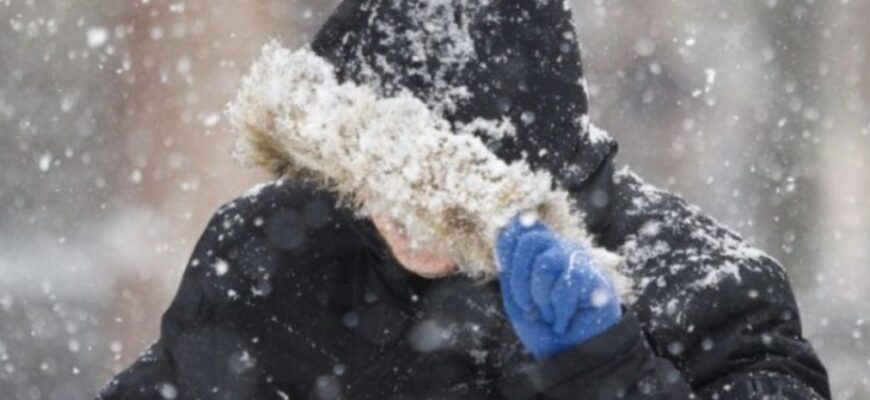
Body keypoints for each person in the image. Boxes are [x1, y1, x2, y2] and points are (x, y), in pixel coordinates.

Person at [98, 1, 830, 399]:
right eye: (378, 176)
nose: (404, 218)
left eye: (444, 199)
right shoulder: (278, 252)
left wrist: (605, 373)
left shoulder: (705, 287)